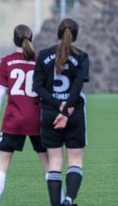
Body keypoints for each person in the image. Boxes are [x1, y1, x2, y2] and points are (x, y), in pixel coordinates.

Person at [0, 24, 50, 206]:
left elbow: (0, 94)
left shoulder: (6, 61)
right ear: (30, 39)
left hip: (13, 121)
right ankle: (60, 200)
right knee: (49, 167)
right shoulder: (39, 61)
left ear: (14, 40)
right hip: (37, 121)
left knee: (2, 165)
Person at [33, 18, 89, 206]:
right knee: (75, 160)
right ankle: (69, 199)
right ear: (76, 35)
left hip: (50, 115)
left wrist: (57, 106)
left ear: (58, 33)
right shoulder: (81, 56)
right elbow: (77, 87)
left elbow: (38, 87)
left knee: (54, 163)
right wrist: (66, 110)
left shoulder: (43, 54)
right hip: (73, 114)